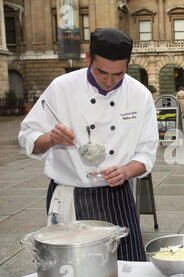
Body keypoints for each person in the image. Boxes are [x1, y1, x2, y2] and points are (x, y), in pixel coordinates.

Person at [18, 28, 159, 262]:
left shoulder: (140, 95)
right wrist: (52, 139)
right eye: (102, 72)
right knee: (70, 275)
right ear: (88, 58)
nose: (109, 81)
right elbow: (27, 138)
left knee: (128, 269)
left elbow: (146, 154)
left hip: (116, 197)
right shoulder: (61, 87)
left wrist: (125, 171)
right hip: (69, 195)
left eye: (118, 75)